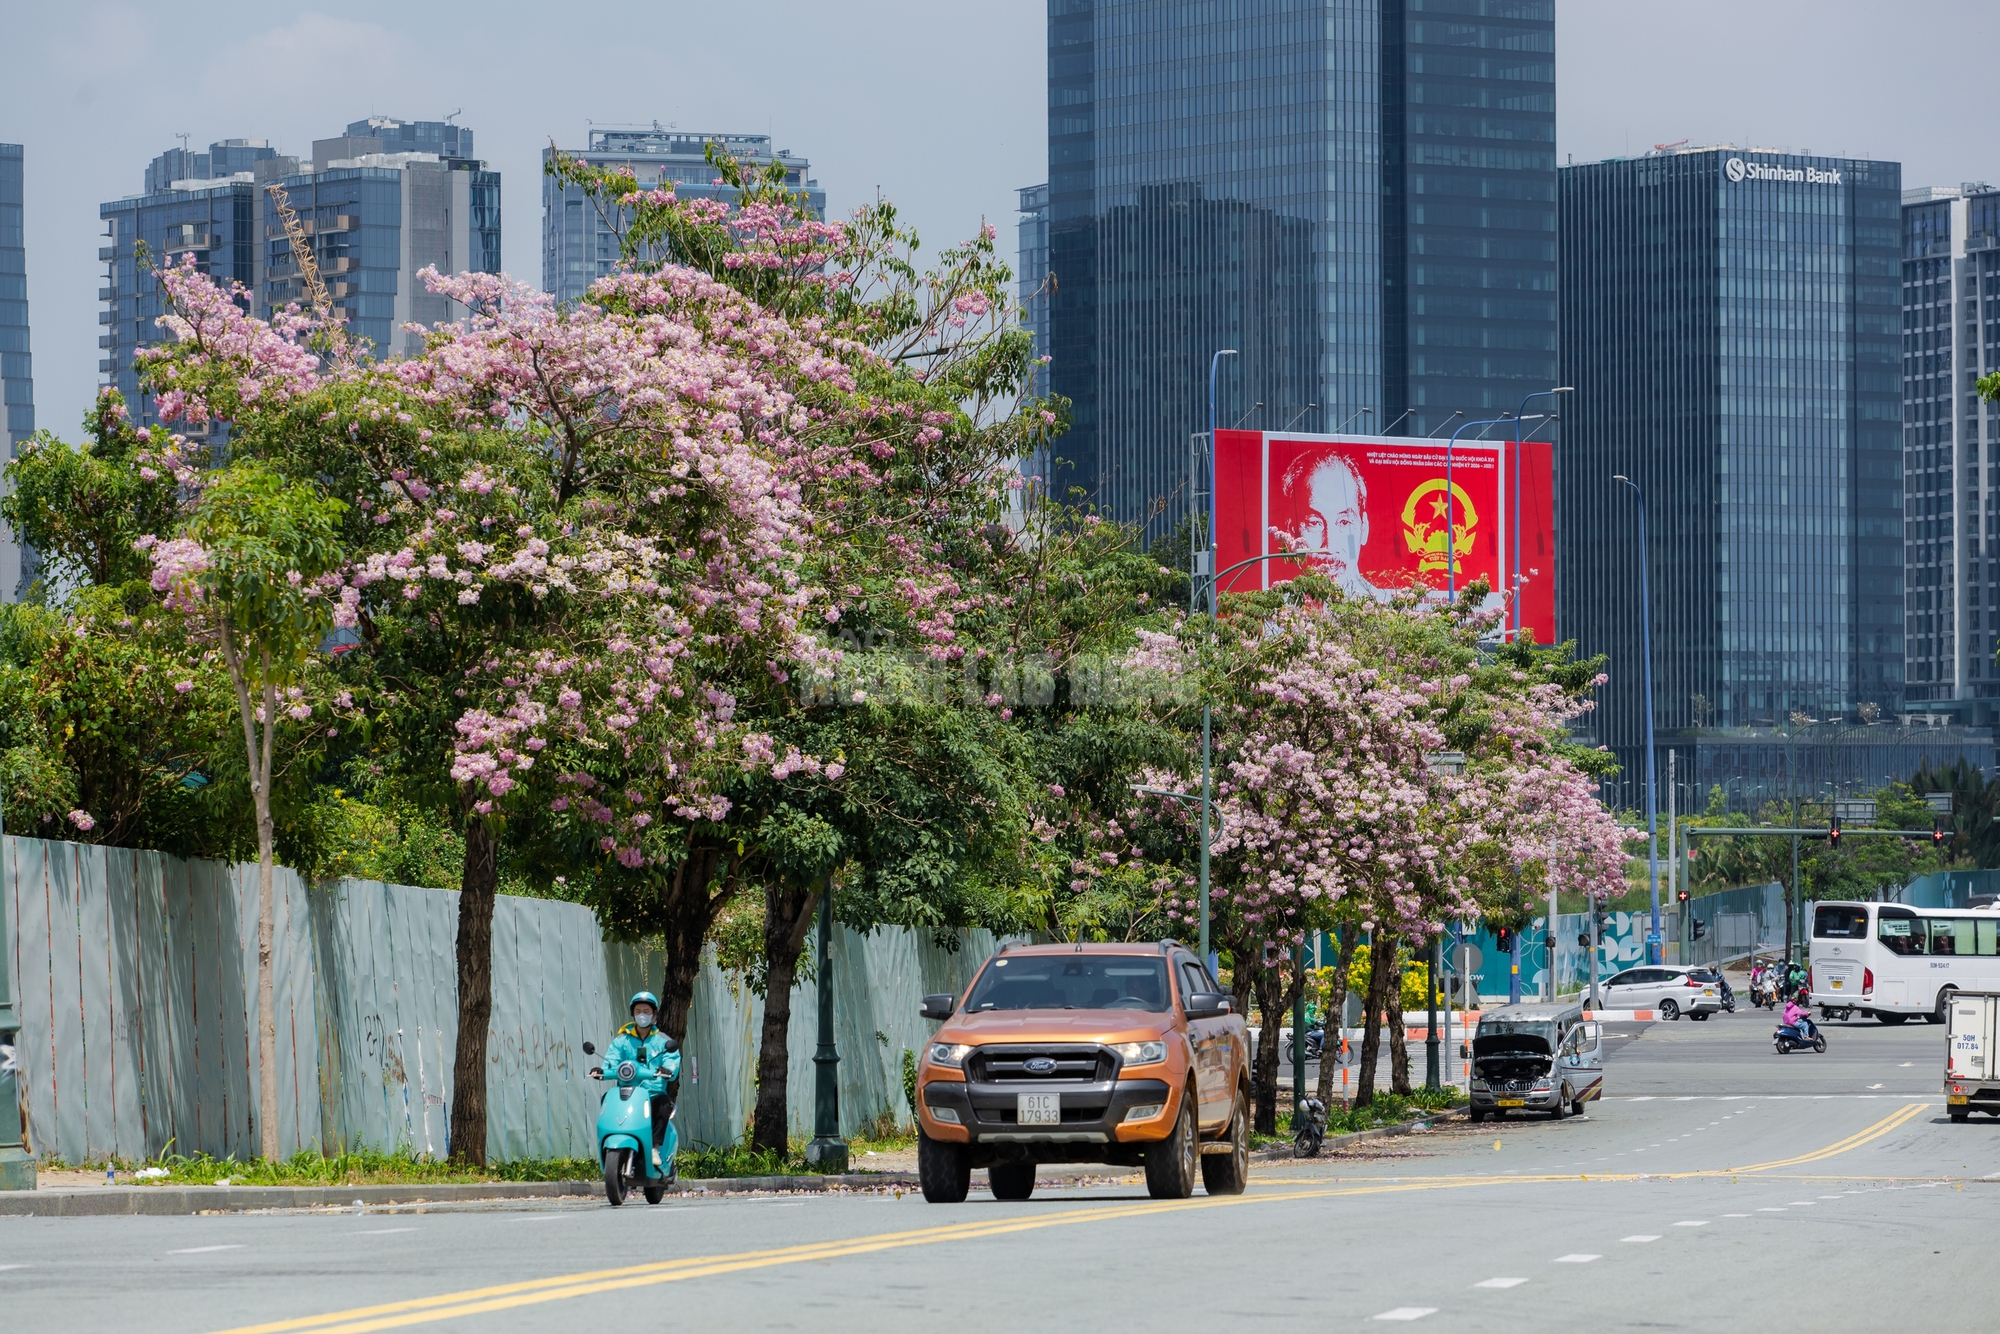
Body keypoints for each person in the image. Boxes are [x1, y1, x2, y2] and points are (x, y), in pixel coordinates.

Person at [603, 990, 680, 1169]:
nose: (642, 1015)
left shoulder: (662, 1041)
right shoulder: (622, 1040)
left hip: (653, 1093)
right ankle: (610, 1141)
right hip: (627, 1093)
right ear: (632, 1013)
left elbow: (672, 1061)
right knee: (606, 1100)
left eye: (646, 1011)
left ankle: (654, 1148)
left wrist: (667, 1069)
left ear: (654, 1014)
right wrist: (602, 1070)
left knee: (663, 1103)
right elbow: (611, 1060)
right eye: (638, 1011)